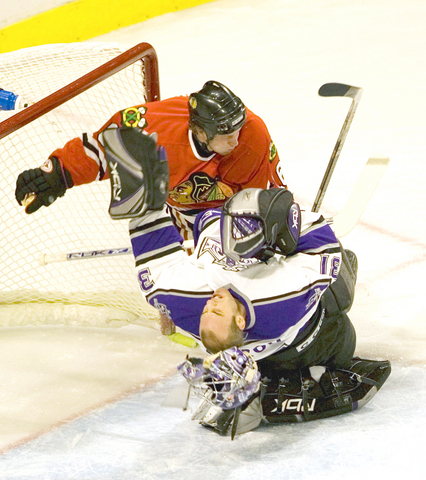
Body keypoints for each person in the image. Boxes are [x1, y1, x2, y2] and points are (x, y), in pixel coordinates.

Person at [15, 127, 390, 437]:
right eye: (217, 309)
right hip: (315, 342)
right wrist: (287, 226)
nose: (210, 300)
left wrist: (142, 196)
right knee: (342, 278)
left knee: (212, 225)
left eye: (205, 310)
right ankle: (284, 373)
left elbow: (155, 255)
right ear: (242, 319)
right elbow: (326, 249)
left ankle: (252, 383)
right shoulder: (281, 296)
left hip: (223, 250)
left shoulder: (183, 300)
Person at [15, 80, 285, 243]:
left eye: (237, 131)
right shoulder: (156, 134)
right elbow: (102, 149)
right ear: (201, 132)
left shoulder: (251, 136)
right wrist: (58, 173)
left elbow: (260, 199)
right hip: (187, 205)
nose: (236, 141)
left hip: (240, 195)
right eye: (227, 135)